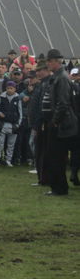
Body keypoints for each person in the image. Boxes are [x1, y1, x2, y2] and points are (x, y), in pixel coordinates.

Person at [43, 49, 78, 196]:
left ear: (55, 61)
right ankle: (58, 187)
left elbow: (63, 103)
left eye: (49, 61)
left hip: (63, 124)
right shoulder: (58, 77)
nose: (48, 64)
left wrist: (55, 121)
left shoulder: (62, 78)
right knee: (55, 156)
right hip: (63, 122)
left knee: (56, 157)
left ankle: (59, 188)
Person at [0, 82, 22, 167]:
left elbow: (20, 112)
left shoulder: (18, 98)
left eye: (11, 88)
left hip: (13, 125)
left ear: (15, 89)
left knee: (11, 144)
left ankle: (8, 160)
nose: (9, 90)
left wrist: (18, 124)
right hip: (2, 124)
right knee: (0, 143)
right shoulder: (1, 97)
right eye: (8, 88)